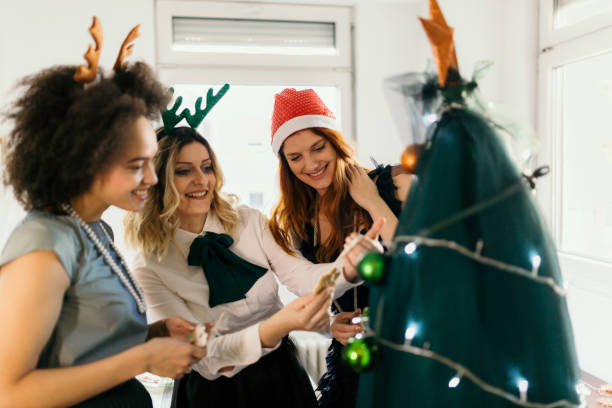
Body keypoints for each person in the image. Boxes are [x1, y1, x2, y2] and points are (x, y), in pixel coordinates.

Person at [0, 17, 206, 408]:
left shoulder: (94, 229)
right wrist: (143, 358)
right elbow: (10, 394)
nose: (152, 177)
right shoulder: (44, 247)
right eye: (134, 165)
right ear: (82, 161)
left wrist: (153, 335)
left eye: (151, 162)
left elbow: (78, 344)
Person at [125, 112, 384, 408]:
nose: (202, 180)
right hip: (211, 395)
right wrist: (276, 326)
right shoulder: (149, 265)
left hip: (281, 378)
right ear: (157, 180)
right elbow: (202, 355)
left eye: (207, 167)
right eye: (184, 171)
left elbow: (303, 278)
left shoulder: (248, 222)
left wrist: (348, 267)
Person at [268, 88, 413, 408]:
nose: (311, 163)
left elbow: (424, 268)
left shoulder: (396, 184)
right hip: (351, 368)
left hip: (412, 357)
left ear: (335, 141)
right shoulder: (297, 223)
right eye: (295, 157)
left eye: (318, 147)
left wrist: (373, 202)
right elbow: (312, 296)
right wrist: (330, 327)